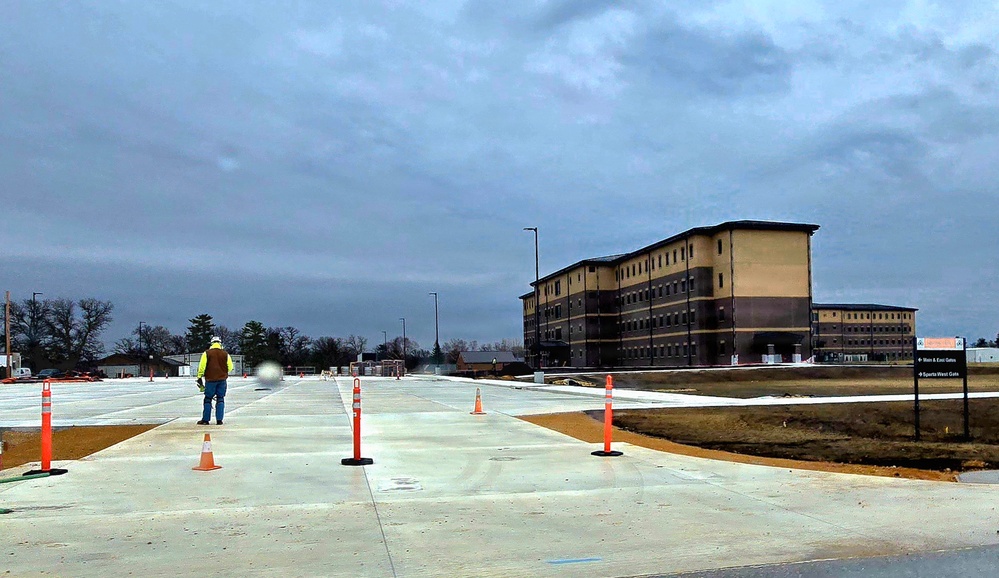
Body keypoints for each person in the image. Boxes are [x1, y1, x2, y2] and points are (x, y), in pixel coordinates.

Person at [197, 336, 233, 425]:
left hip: (210, 380)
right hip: (222, 380)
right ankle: (219, 420)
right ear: (220, 343)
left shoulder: (207, 353)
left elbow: (202, 366)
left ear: (211, 343)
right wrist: (223, 372)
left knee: (208, 399)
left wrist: (199, 376)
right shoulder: (225, 354)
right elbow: (230, 367)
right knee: (220, 399)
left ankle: (206, 420)